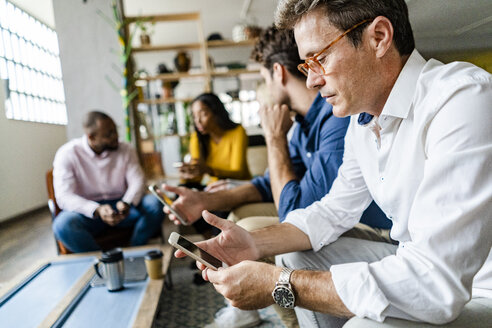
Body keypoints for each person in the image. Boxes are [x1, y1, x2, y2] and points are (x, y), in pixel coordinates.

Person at [175, 0, 492, 327]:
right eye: (305, 65)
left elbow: (435, 283)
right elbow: (333, 211)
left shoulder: (463, 98)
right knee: (295, 257)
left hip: (480, 288)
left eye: (320, 58)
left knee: (359, 324)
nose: (311, 81)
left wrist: (280, 284)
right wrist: (254, 242)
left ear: (379, 37)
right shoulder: (362, 124)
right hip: (417, 261)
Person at [166, 24, 389, 328]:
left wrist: (273, 138)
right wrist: (204, 199)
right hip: (339, 219)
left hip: (376, 231)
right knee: (256, 233)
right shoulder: (304, 124)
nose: (314, 80)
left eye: (318, 61)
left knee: (290, 253)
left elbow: (294, 211)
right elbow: (266, 186)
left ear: (277, 73)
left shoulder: (339, 120)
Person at [52, 111, 164, 253]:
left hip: (123, 208)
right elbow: (64, 196)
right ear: (91, 137)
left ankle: (134, 251)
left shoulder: (126, 149)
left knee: (155, 204)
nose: (116, 137)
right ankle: (104, 261)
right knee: (62, 225)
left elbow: (137, 180)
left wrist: (127, 202)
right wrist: (96, 209)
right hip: (89, 212)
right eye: (109, 134)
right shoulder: (67, 153)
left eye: (115, 130)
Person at [179, 92, 251, 187]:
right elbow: (198, 178)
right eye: (195, 116)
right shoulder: (197, 137)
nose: (198, 121)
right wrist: (187, 174)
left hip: (238, 185)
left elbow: (238, 173)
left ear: (217, 113)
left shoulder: (238, 132)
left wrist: (209, 170)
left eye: (203, 114)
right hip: (214, 187)